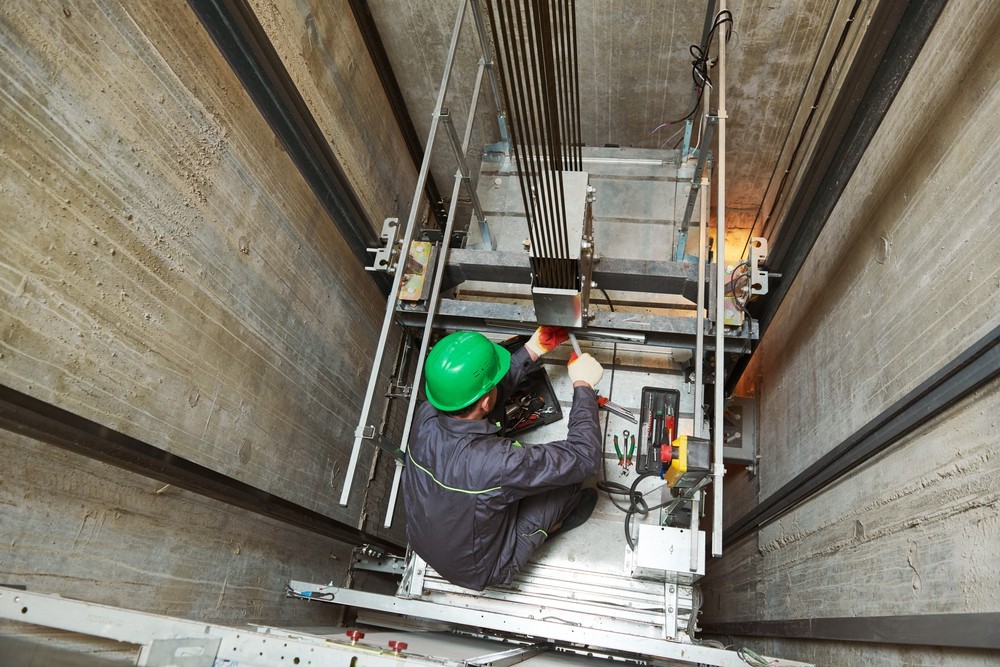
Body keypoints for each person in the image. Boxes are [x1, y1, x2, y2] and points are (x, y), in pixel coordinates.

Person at [402, 326, 604, 591]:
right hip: (483, 569)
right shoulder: (495, 462)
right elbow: (584, 456)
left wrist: (532, 350)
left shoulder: (428, 412)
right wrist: (583, 386)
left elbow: (480, 399)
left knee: (502, 448)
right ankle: (553, 524)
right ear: (485, 401)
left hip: (424, 539)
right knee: (570, 478)